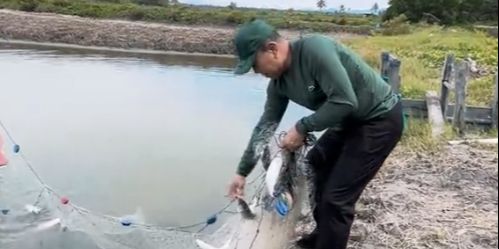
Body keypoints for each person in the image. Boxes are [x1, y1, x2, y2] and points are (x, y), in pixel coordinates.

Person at [227, 19, 404, 249]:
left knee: (336, 199)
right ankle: (324, 236)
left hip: (378, 120)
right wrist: (241, 172)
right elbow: (265, 127)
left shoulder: (315, 50)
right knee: (314, 167)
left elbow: (345, 101)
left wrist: (302, 127)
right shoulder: (278, 84)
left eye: (254, 64)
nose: (256, 71)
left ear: (272, 49)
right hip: (345, 123)